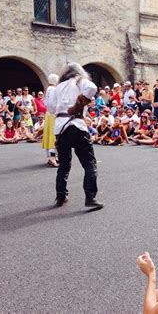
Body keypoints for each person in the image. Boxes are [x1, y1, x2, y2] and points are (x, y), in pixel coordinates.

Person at [46, 62, 103, 208]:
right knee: (90, 163)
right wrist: (78, 106)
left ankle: (61, 196)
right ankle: (90, 197)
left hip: (61, 128)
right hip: (77, 126)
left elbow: (51, 109)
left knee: (64, 165)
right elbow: (92, 87)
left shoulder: (57, 88)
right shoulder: (80, 81)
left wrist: (72, 105)